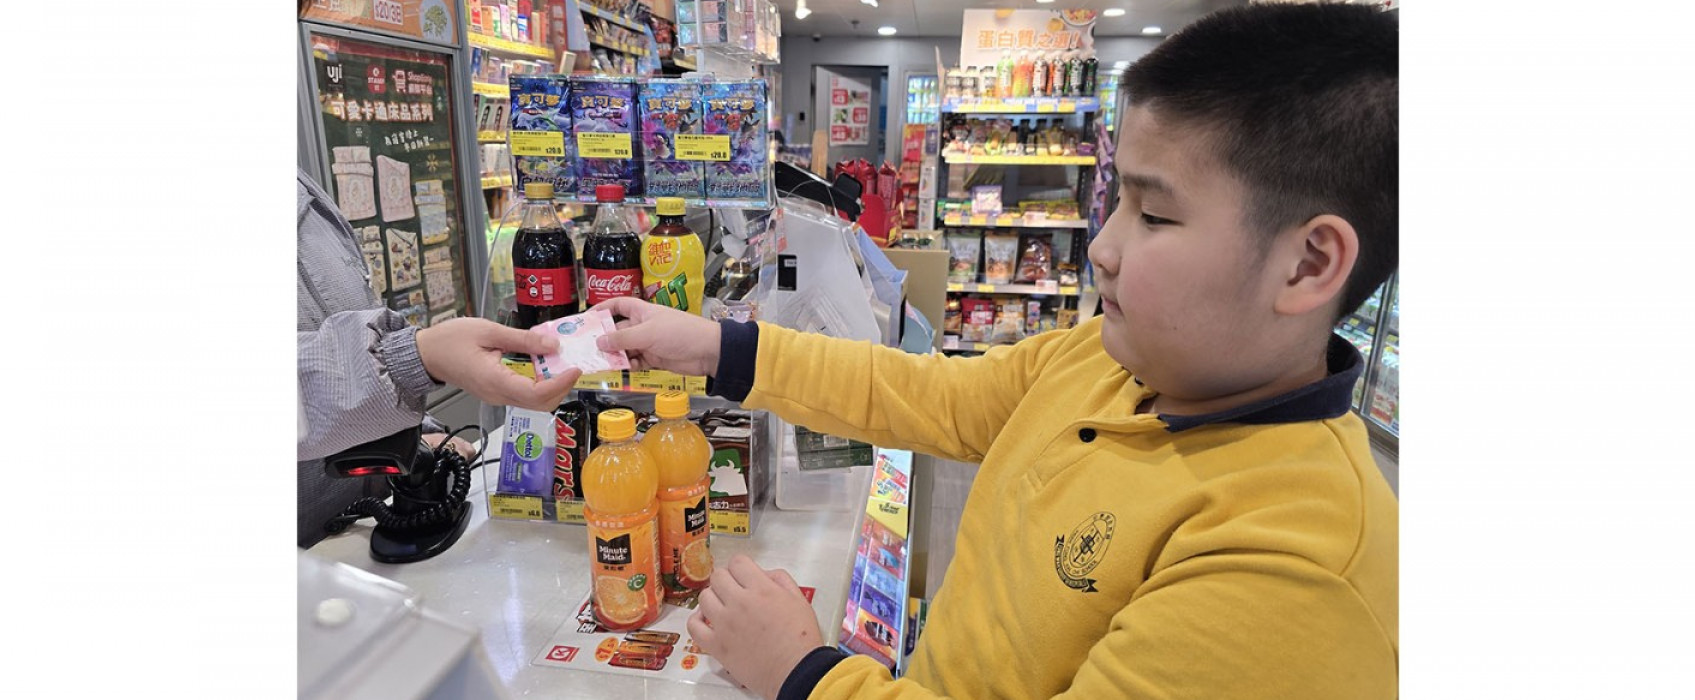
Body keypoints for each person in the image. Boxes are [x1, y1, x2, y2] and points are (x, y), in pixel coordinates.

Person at [592, 4, 1398, 698]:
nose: (1103, 249)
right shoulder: (1107, 359)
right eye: (1118, 200)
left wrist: (802, 672)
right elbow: (924, 393)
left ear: (1309, 264)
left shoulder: (1295, 571)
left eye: (1155, 216)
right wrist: (714, 345)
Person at [298, 170, 579, 547]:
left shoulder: (303, 185)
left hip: (363, 529)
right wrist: (417, 359)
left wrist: (417, 429)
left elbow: (353, 316)